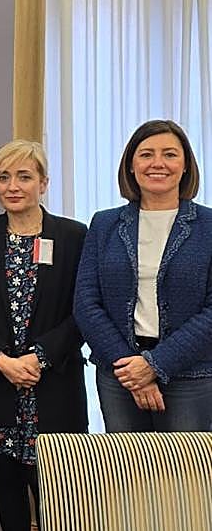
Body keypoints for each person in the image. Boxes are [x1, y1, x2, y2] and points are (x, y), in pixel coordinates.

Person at [0, 140, 88, 531]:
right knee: (7, 479)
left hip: (53, 381)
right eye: (4, 177)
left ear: (44, 183)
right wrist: (2, 359)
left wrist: (40, 357)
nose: (14, 186)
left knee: (55, 489)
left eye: (25, 176)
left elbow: (83, 308)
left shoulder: (73, 236)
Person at [75, 119, 212, 432]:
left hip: (192, 376)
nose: (158, 163)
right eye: (146, 154)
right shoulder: (104, 224)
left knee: (185, 476)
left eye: (170, 154)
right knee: (126, 474)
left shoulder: (208, 226)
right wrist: (130, 368)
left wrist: (155, 364)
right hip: (119, 373)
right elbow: (86, 302)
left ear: (187, 165)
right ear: (131, 166)